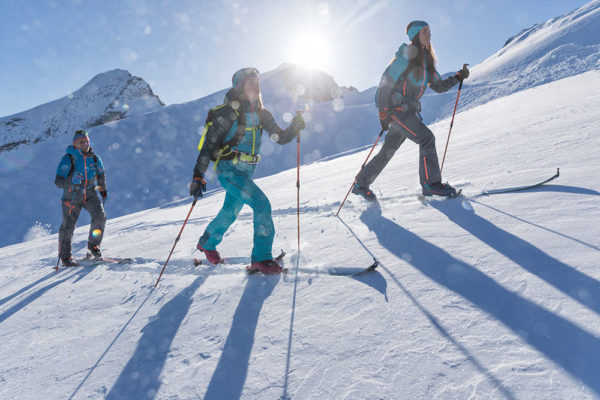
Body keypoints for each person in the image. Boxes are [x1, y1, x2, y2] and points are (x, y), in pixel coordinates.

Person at [190, 68, 305, 274]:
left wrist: (294, 128)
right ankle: (261, 258)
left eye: (257, 81)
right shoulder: (228, 112)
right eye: (250, 82)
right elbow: (209, 145)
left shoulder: (263, 113)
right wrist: (198, 176)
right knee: (261, 204)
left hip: (246, 171)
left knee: (230, 211)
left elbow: (280, 138)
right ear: (240, 87)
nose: (255, 85)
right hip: (228, 170)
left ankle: (206, 243)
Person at [353, 20, 469, 201]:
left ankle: (361, 183)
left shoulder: (427, 63)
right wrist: (383, 112)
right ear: (415, 35)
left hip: (408, 112)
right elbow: (386, 84)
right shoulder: (405, 57)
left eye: (430, 31)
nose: (429, 34)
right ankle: (431, 184)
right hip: (397, 111)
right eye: (424, 31)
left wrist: (457, 77)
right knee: (427, 138)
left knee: (388, 151)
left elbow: (438, 86)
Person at [55, 130, 108, 266]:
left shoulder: (95, 159)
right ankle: (65, 257)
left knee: (100, 217)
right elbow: (58, 181)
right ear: (75, 144)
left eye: (87, 141)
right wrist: (71, 180)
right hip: (71, 196)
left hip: (90, 193)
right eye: (81, 142)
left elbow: (101, 175)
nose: (85, 144)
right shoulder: (68, 159)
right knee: (68, 227)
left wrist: (102, 189)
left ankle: (94, 246)